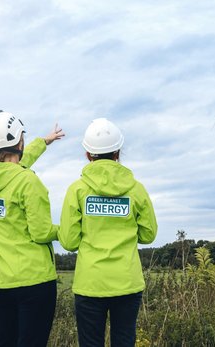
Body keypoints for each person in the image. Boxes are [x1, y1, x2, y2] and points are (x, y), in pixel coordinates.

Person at [59, 118, 157, 347]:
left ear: (87, 154)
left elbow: (69, 241)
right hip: (127, 282)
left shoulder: (77, 189)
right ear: (118, 153)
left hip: (90, 283)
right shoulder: (136, 189)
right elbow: (148, 234)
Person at [0, 110, 64, 347]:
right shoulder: (28, 182)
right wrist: (65, 229)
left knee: (5, 341)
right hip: (34, 280)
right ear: (19, 140)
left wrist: (44, 141)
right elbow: (41, 232)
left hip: (3, 281)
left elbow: (16, 165)